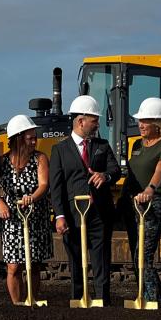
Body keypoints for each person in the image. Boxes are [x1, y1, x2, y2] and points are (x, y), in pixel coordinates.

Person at [49, 95, 121, 305]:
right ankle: (78, 300)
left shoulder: (102, 145)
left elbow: (115, 170)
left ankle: (102, 300)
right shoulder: (59, 150)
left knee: (101, 258)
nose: (98, 123)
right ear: (81, 121)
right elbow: (57, 186)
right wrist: (59, 215)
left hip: (100, 213)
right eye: (94, 119)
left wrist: (105, 176)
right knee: (76, 259)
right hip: (73, 216)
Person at [121, 97, 161, 306]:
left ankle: (155, 302)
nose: (140, 125)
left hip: (150, 205)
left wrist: (150, 190)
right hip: (131, 204)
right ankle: (148, 299)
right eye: (140, 120)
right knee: (136, 258)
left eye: (145, 121)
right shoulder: (136, 144)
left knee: (144, 257)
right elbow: (132, 173)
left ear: (157, 123)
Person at [0, 114, 52, 304]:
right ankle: (17, 304)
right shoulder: (2, 162)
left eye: (35, 136)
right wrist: (0, 203)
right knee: (13, 266)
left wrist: (32, 198)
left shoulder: (40, 158)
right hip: (12, 217)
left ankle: (33, 300)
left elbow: (44, 184)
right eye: (30, 137)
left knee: (34, 264)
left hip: (34, 215)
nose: (34, 141)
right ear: (18, 139)